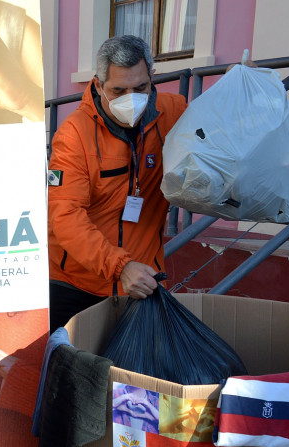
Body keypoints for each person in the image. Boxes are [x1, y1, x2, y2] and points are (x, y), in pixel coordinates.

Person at [47, 35, 188, 331]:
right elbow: (66, 217)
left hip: (141, 282)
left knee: (133, 375)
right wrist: (120, 266)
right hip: (76, 285)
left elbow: (219, 135)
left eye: (140, 88)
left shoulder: (173, 112)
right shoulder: (73, 135)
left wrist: (247, 90)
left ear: (152, 79)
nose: (131, 99)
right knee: (72, 374)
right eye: (118, 90)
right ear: (98, 86)